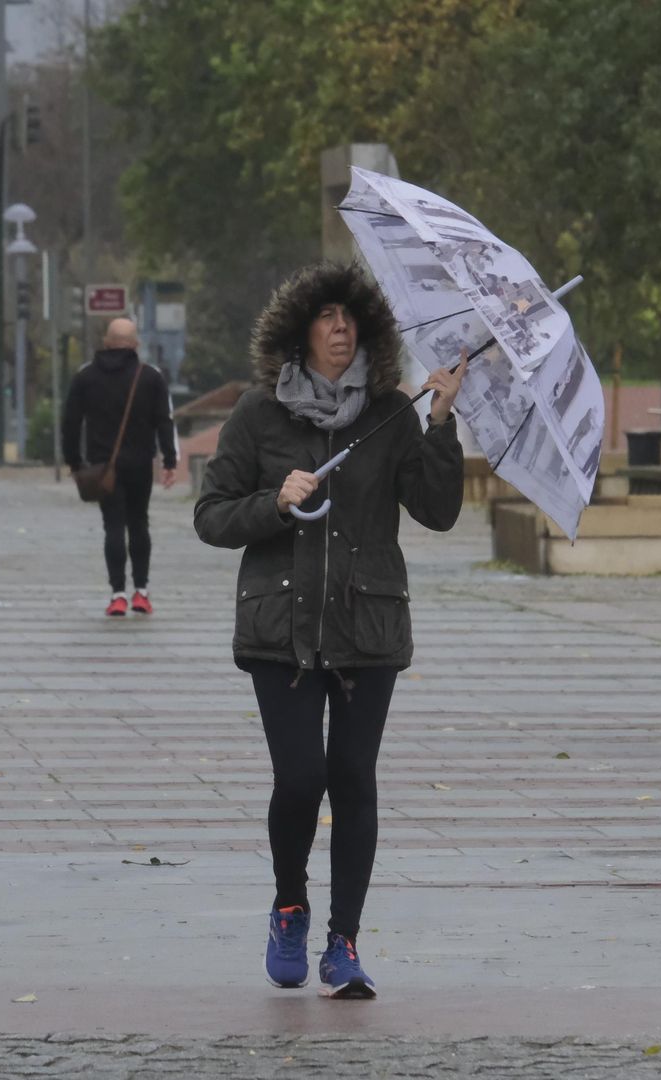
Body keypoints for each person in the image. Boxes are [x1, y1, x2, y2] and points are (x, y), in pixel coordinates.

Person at [194, 262, 466, 999]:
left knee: (351, 780)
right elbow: (212, 517)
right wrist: (273, 503)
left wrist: (441, 424)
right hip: (279, 629)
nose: (341, 329)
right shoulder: (260, 414)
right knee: (300, 778)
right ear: (300, 331)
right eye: (328, 318)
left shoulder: (391, 414)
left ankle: (343, 942)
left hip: (366, 629)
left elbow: (438, 511)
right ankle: (290, 906)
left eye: (352, 319)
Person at [61, 317, 178, 616]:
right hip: (140, 465)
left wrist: (74, 461)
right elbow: (164, 420)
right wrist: (169, 461)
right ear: (136, 344)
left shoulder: (85, 377)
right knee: (138, 523)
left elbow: (70, 423)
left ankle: (117, 595)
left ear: (105, 342)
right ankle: (141, 592)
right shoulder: (150, 377)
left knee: (112, 526)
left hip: (103, 467)